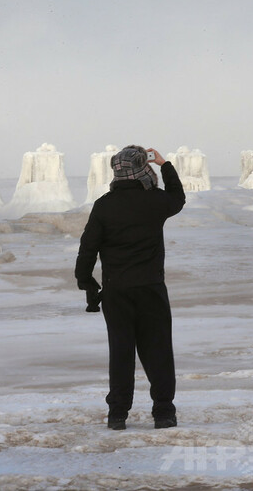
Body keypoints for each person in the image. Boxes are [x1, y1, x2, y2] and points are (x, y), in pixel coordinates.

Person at [75, 145, 186, 430]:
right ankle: (163, 413)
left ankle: (117, 415)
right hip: (151, 288)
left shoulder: (104, 205)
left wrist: (86, 281)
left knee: (121, 353)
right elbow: (178, 198)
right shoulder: (154, 201)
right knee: (158, 351)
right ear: (142, 168)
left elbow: (88, 248)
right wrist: (165, 163)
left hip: (116, 291)